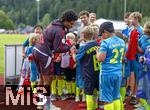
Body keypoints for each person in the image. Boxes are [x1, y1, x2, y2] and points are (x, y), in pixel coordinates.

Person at [32, 10, 78, 110]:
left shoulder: (54, 23)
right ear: (66, 20)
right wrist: (69, 46)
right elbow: (58, 48)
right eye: (71, 23)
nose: (72, 25)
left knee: (42, 79)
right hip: (44, 53)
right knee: (48, 80)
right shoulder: (59, 30)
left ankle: (40, 103)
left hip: (36, 50)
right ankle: (47, 105)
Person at [96, 22, 126, 110]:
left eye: (102, 34)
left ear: (105, 32)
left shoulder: (105, 42)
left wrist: (97, 52)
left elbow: (101, 59)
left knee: (107, 98)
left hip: (107, 73)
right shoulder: (121, 41)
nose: (101, 36)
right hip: (118, 72)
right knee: (115, 96)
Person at [75, 25, 99, 110]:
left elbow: (76, 59)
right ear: (92, 35)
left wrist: (73, 52)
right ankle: (95, 106)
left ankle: (90, 108)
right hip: (97, 71)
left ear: (83, 36)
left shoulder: (83, 47)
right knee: (96, 91)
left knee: (88, 93)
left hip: (88, 73)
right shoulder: (97, 44)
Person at [127, 12, 143, 105]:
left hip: (137, 57)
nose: (130, 20)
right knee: (129, 74)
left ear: (136, 19)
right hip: (130, 56)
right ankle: (129, 91)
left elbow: (141, 46)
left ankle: (134, 95)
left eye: (131, 18)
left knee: (137, 76)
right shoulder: (130, 29)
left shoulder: (141, 30)